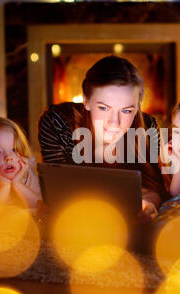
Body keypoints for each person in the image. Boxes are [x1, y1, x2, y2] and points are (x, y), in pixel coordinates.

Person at [38, 55, 167, 220]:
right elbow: (57, 190)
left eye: (127, 110)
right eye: (104, 108)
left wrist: (148, 205)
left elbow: (153, 188)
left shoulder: (148, 127)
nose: (115, 122)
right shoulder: (58, 123)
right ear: (86, 100)